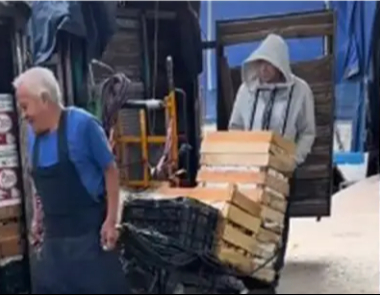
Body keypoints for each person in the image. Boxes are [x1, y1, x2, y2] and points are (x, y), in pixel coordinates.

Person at [13, 67, 128, 294]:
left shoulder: (84, 126)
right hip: (54, 247)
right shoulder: (32, 136)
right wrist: (38, 218)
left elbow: (110, 170)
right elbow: (38, 182)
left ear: (44, 99)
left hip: (89, 242)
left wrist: (111, 221)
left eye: (25, 107)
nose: (24, 115)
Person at [228, 34, 316, 293]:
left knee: (275, 226)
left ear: (280, 65)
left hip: (281, 173)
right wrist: (240, 157)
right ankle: (247, 274)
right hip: (250, 173)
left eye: (267, 64)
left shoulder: (300, 91)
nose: (262, 70)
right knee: (247, 220)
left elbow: (307, 131)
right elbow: (235, 125)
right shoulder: (247, 90)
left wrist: (293, 160)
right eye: (259, 64)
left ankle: (269, 277)